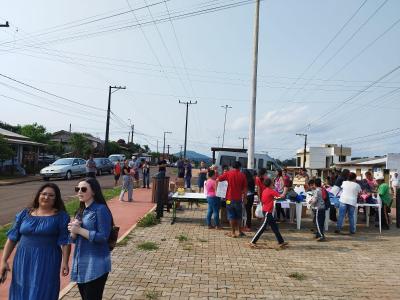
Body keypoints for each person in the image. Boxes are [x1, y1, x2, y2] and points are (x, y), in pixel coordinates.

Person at [0, 183, 71, 299]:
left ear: (56, 199)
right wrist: (3, 260)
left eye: (51, 195)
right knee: (22, 288)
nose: (46, 197)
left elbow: (65, 241)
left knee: (43, 289)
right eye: (43, 194)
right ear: (38, 195)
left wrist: (65, 262)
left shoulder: (61, 217)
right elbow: (12, 238)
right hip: (23, 259)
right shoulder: (24, 214)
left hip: (48, 259)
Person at [68, 178, 113, 300]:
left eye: (83, 189)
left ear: (93, 192)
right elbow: (73, 239)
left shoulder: (100, 209)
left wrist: (80, 230)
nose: (79, 192)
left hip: (96, 264)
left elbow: (103, 236)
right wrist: (73, 232)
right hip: (81, 263)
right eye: (77, 189)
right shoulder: (80, 211)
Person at [249, 178, 288, 249]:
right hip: (267, 211)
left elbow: (267, 199)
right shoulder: (271, 191)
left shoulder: (265, 190)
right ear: (270, 184)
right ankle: (253, 241)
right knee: (263, 227)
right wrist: (285, 190)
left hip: (266, 211)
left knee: (274, 227)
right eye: (272, 183)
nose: (273, 184)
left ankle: (281, 241)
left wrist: (272, 199)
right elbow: (281, 196)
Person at [217, 161, 247, 238]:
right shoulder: (242, 175)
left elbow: (218, 179)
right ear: (239, 167)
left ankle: (233, 232)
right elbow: (245, 188)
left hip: (228, 199)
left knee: (231, 215)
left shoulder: (228, 173)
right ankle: (240, 231)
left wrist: (217, 191)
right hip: (238, 199)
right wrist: (245, 198)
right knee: (239, 216)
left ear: (232, 167)